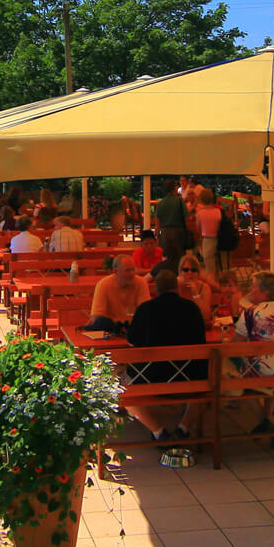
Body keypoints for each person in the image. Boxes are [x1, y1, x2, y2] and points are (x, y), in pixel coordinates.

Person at [123, 269, 209, 442]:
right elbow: (202, 340)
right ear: (176, 287)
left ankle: (158, 431)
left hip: (150, 377)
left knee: (121, 387)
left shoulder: (146, 309)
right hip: (188, 377)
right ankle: (183, 428)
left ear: (156, 288)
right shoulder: (191, 308)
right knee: (208, 383)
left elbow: (132, 340)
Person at [233, 272, 274, 448]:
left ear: (264, 293)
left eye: (253, 287)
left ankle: (265, 421)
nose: (250, 290)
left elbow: (234, 345)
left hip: (266, 375)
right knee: (272, 363)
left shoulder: (250, 313)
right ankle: (267, 419)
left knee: (234, 380)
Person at [90, 257, 152, 330]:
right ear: (116, 271)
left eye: (133, 270)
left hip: (135, 330)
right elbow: (96, 318)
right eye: (127, 270)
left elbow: (145, 313)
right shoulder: (103, 285)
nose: (132, 273)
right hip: (111, 331)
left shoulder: (141, 283)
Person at [192, 187, 224, 275]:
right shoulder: (218, 211)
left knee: (210, 269)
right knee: (219, 267)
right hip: (220, 240)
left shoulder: (200, 214)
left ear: (201, 200)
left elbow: (198, 228)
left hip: (207, 240)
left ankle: (213, 285)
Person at [155, 185, 190, 262]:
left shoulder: (161, 203)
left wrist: (157, 236)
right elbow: (187, 217)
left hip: (165, 232)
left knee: (166, 255)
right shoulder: (180, 201)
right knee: (180, 255)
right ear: (174, 189)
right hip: (179, 232)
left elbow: (157, 222)